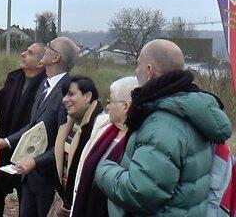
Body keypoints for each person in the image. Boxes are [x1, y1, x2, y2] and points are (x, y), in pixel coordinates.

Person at [95, 39, 232, 216]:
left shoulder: (162, 123)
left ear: (150, 71)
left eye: (138, 65)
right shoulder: (190, 109)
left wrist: (104, 170)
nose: (136, 71)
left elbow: (142, 192)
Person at [0, 36, 79, 217]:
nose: (45, 50)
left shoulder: (68, 91)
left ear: (56, 58)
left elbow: (63, 143)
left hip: (46, 179)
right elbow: (33, 125)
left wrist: (35, 162)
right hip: (28, 174)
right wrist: (5, 141)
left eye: (49, 47)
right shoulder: (45, 85)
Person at [0, 43, 46, 217]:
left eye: (29, 53)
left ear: (41, 62)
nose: (23, 54)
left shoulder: (46, 87)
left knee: (26, 204)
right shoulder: (14, 78)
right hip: (3, 150)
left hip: (28, 156)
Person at [70, 76, 138, 217]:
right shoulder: (102, 128)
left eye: (110, 101)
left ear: (126, 106)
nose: (107, 107)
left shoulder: (138, 141)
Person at [47, 76, 104, 216]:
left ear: (87, 96)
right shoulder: (69, 122)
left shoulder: (99, 128)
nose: (65, 99)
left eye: (71, 94)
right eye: (65, 94)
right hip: (63, 203)